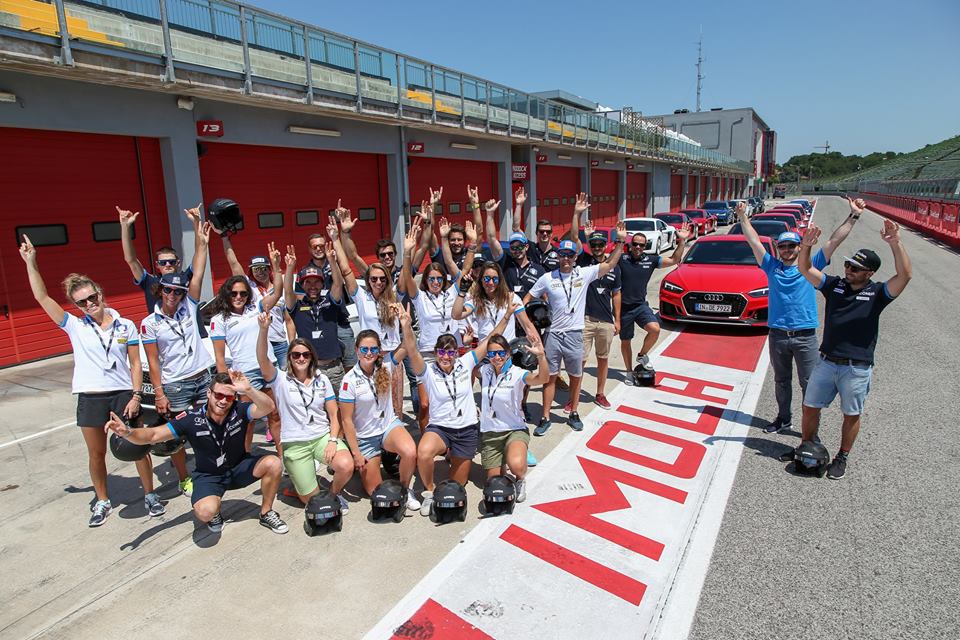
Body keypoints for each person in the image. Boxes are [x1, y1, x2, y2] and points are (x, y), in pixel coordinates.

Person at [19, 236, 164, 527]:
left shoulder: (125, 325)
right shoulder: (75, 326)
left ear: (100, 293)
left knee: (136, 446)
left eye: (91, 297)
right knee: (96, 453)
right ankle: (102, 500)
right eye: (81, 302)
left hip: (123, 394)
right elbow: (41, 298)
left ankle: (150, 495)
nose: (89, 304)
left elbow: (136, 363)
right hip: (90, 396)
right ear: (77, 305)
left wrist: (136, 395)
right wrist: (31, 263)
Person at [795, 220, 911, 479]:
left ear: (869, 273)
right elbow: (805, 268)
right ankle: (806, 446)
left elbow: (905, 276)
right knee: (810, 406)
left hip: (855, 368)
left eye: (856, 268)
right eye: (848, 264)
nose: (848, 270)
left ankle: (842, 457)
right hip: (826, 363)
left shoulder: (878, 293)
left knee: (851, 414)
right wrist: (806, 246)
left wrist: (896, 243)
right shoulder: (834, 286)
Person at [105, 371, 288, 534]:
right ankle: (215, 511)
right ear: (209, 394)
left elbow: (268, 407)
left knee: (273, 463)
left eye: (229, 397)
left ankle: (266, 512)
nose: (223, 401)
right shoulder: (191, 419)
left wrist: (248, 390)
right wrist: (128, 433)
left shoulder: (239, 410)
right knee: (205, 511)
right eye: (218, 395)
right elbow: (153, 434)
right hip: (209, 475)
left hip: (238, 467)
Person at [736, 198, 860, 433]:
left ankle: (809, 426)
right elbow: (753, 240)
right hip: (778, 335)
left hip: (805, 336)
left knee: (809, 384)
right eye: (782, 247)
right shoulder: (771, 266)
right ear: (778, 249)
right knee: (781, 381)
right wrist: (742, 217)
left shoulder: (811, 265)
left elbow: (834, 240)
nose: (786, 250)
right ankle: (783, 419)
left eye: (791, 246)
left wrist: (853, 215)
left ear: (799, 248)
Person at [402, 305, 515, 516]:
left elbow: (492, 337)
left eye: (451, 352)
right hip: (440, 428)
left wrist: (507, 315)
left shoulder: (465, 362)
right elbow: (411, 350)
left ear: (456, 353)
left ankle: (452, 466)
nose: (446, 356)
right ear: (436, 353)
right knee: (424, 452)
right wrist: (406, 326)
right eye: (442, 352)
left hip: (466, 430)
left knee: (457, 485)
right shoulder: (427, 371)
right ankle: (428, 492)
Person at [525, 220, 626, 434]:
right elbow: (527, 298)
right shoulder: (547, 277)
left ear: (575, 257)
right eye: (562, 254)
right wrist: (526, 323)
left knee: (576, 376)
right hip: (552, 335)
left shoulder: (584, 273)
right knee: (550, 377)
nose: (566, 259)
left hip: (574, 334)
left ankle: (573, 412)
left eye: (570, 256)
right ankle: (545, 417)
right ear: (558, 256)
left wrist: (620, 241)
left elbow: (609, 265)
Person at [139, 219, 215, 496]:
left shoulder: (189, 306)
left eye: (178, 291)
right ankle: (184, 477)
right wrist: (159, 393)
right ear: (161, 290)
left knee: (207, 426)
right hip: (176, 385)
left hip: (202, 378)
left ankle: (210, 468)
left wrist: (201, 240)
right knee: (180, 435)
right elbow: (154, 360)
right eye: (168, 290)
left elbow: (199, 270)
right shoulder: (149, 323)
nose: (173, 295)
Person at [256, 313, 354, 513]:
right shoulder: (280, 379)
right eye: (296, 355)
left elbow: (334, 414)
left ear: (312, 357)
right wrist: (264, 329)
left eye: (305, 354)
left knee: (345, 465)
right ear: (290, 358)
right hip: (295, 444)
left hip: (321, 438)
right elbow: (262, 358)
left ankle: (334, 495)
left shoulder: (322, 379)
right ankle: (301, 483)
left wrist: (333, 440)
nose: (301, 358)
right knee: (312, 502)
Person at [209, 244, 284, 451]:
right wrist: (226, 385)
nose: (239, 297)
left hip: (268, 366)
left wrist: (277, 267)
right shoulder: (219, 319)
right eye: (234, 294)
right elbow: (219, 357)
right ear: (227, 295)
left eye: (243, 293)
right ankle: (244, 457)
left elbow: (277, 292)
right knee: (246, 420)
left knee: (275, 415)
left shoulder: (256, 306)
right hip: (245, 374)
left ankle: (283, 458)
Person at [339, 327, 421, 512]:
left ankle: (405, 490)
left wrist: (405, 323)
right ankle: (365, 467)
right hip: (365, 437)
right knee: (374, 491)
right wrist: (356, 453)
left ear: (379, 351)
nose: (369, 353)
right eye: (364, 349)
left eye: (374, 349)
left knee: (410, 451)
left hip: (387, 427)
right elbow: (346, 421)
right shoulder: (349, 380)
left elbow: (407, 345)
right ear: (357, 350)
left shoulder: (385, 365)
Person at [330, 216, 406, 414]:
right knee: (372, 406)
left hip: (392, 358)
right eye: (374, 279)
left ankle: (391, 444)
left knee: (395, 408)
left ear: (387, 280)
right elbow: (346, 270)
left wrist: (409, 250)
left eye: (382, 279)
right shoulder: (362, 298)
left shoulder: (396, 296)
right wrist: (338, 237)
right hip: (369, 359)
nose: (378, 282)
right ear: (368, 280)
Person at [399, 215, 463, 429]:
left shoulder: (452, 293)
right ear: (426, 280)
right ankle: (427, 437)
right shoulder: (420, 297)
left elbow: (462, 271)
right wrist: (407, 252)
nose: (435, 282)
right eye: (431, 278)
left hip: (449, 353)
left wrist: (451, 240)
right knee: (425, 403)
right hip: (426, 353)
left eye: (439, 278)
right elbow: (407, 277)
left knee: (446, 399)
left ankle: (445, 436)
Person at [478, 333, 549, 504]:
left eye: (501, 353)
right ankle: (502, 460)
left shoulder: (517, 373)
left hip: (514, 429)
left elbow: (543, 378)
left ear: (508, 353)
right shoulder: (484, 370)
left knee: (516, 465)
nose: (497, 357)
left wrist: (541, 356)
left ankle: (520, 480)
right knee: (493, 482)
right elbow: (465, 365)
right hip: (491, 433)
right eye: (492, 353)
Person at [617, 222, 691, 384]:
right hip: (624, 309)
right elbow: (604, 260)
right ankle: (629, 372)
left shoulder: (651, 260)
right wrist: (619, 240)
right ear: (630, 245)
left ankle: (642, 355)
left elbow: (674, 259)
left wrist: (682, 241)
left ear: (645, 246)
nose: (637, 247)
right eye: (635, 244)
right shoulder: (622, 259)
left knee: (655, 329)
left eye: (641, 245)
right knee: (626, 341)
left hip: (640, 305)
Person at [218, 233, 294, 368]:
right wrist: (225, 238)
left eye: (263, 268)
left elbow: (288, 320)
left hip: (280, 344)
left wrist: (292, 344)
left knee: (286, 382)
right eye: (256, 269)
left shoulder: (279, 286)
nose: (260, 272)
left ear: (269, 269)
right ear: (251, 272)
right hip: (260, 343)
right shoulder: (248, 288)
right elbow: (233, 262)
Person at [282, 241, 348, 393]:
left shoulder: (330, 302)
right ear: (303, 286)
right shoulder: (297, 306)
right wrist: (290, 267)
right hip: (310, 370)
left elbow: (338, 284)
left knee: (339, 410)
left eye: (316, 282)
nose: (312, 286)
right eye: (308, 282)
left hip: (334, 369)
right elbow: (287, 291)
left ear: (322, 284)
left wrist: (332, 261)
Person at [117, 204, 200, 313]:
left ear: (178, 263)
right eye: (163, 262)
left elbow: (200, 252)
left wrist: (196, 222)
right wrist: (125, 226)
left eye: (171, 261)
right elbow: (130, 259)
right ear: (157, 265)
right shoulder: (150, 282)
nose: (167, 264)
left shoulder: (186, 277)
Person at [574, 224, 622, 409]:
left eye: (600, 244)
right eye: (593, 244)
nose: (597, 247)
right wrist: (585, 237)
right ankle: (574, 397)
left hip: (606, 321)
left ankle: (600, 394)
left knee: (603, 358)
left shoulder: (614, 268)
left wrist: (617, 319)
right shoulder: (584, 263)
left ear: (606, 245)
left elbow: (616, 294)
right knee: (580, 360)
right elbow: (577, 242)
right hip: (585, 320)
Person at [304, 231, 357, 371]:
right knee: (326, 369)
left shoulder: (335, 265)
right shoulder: (305, 272)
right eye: (314, 246)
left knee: (350, 366)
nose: (318, 249)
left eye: (321, 245)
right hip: (322, 326)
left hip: (341, 323)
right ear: (309, 249)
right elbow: (301, 302)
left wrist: (335, 238)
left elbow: (345, 269)